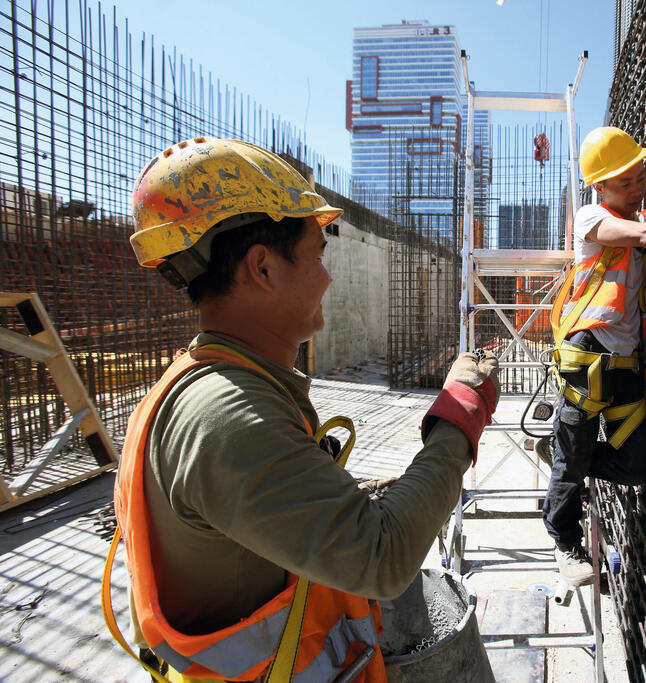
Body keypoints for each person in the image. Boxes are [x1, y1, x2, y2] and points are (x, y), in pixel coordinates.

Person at [108, 137, 499, 682]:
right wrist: (461, 412)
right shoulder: (226, 415)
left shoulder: (223, 384)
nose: (328, 276)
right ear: (263, 268)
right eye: (317, 255)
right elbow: (381, 559)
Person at [538, 126, 646, 587]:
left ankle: (563, 458)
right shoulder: (590, 218)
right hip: (587, 360)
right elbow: (635, 235)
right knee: (573, 456)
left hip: (624, 366)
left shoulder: (636, 218)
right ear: (599, 186)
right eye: (626, 181)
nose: (637, 187)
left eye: (640, 177)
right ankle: (564, 542)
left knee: (635, 464)